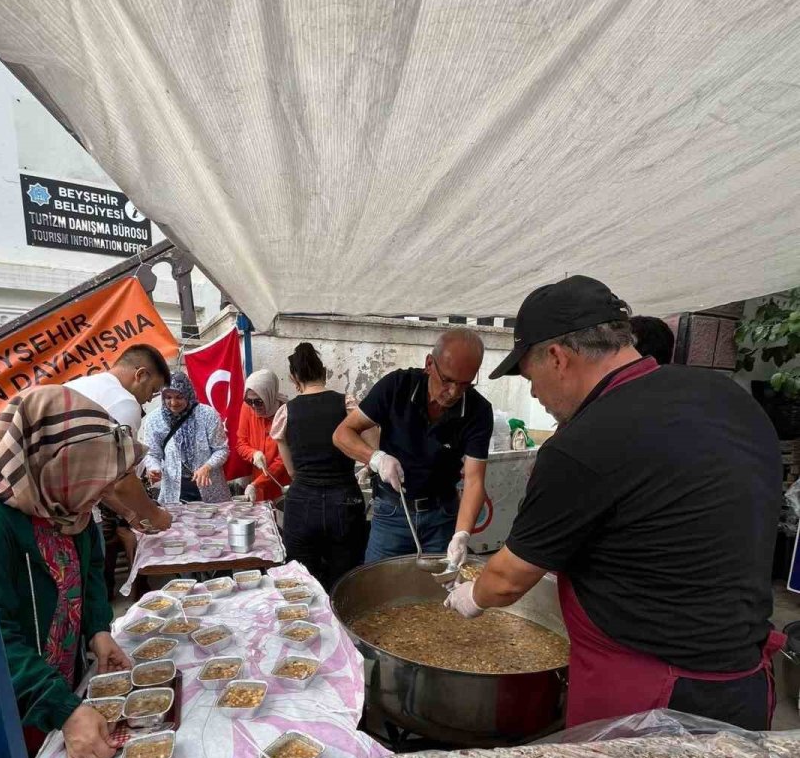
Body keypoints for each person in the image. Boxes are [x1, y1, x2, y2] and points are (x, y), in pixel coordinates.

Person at [446, 275, 783, 732]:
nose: (534, 394)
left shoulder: (582, 442)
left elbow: (506, 581)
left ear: (558, 358)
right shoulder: (729, 398)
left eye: (529, 377)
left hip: (650, 699)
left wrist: (469, 597)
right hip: (747, 684)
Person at [0, 385, 140, 758]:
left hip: (66, 687)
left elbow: (92, 569)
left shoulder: (66, 506)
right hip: (21, 705)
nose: (100, 494)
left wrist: (97, 629)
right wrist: (62, 709)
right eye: (93, 479)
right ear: (56, 464)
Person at [333, 328, 492, 567]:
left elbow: (474, 481)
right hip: (392, 513)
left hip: (442, 517)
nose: (454, 393)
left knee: (439, 594)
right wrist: (376, 458)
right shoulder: (398, 386)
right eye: (448, 380)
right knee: (380, 589)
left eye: (465, 384)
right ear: (429, 364)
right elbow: (342, 433)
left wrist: (462, 535)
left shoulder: (478, 411)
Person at [270, 342, 367, 588]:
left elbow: (291, 471)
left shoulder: (286, 412)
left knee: (302, 580)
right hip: (344, 500)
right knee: (345, 579)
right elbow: (372, 444)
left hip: (302, 502)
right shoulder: (347, 404)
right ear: (324, 372)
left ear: (294, 378)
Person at [65, 344, 173, 534]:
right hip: (60, 518)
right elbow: (122, 478)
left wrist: (129, 514)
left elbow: (101, 476)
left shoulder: (83, 385)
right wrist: (155, 515)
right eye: (153, 390)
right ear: (140, 375)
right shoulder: (123, 401)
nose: (149, 400)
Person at [143, 370, 231, 504]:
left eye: (179, 397)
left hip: (209, 485)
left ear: (188, 394)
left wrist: (207, 467)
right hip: (174, 490)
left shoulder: (207, 415)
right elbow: (152, 453)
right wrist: (154, 468)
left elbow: (221, 450)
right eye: (168, 397)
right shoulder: (154, 420)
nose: (173, 402)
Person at [236, 368, 290, 502]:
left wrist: (256, 484)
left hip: (280, 484)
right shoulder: (247, 408)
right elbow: (241, 443)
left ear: (269, 395)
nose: (254, 406)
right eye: (250, 401)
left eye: (259, 401)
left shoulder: (285, 413)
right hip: (257, 484)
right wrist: (253, 454)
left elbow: (283, 460)